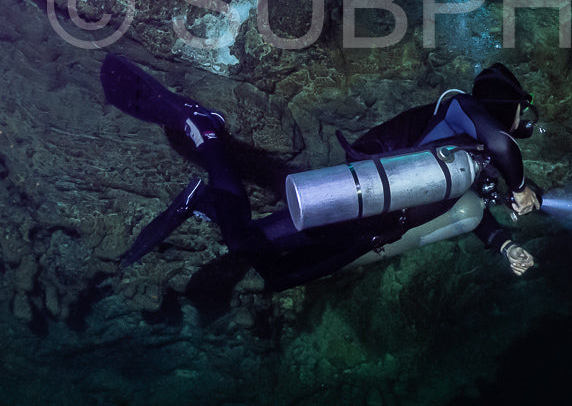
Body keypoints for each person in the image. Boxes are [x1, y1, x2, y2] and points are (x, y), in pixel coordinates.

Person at [102, 55, 543, 290]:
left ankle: (210, 200)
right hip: (357, 204)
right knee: (245, 244)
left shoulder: (472, 154)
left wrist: (505, 246)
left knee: (280, 275)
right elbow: (504, 145)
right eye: (522, 112)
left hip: (372, 229)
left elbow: (467, 207)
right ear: (506, 103)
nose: (523, 123)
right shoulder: (461, 107)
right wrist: (520, 186)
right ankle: (208, 134)